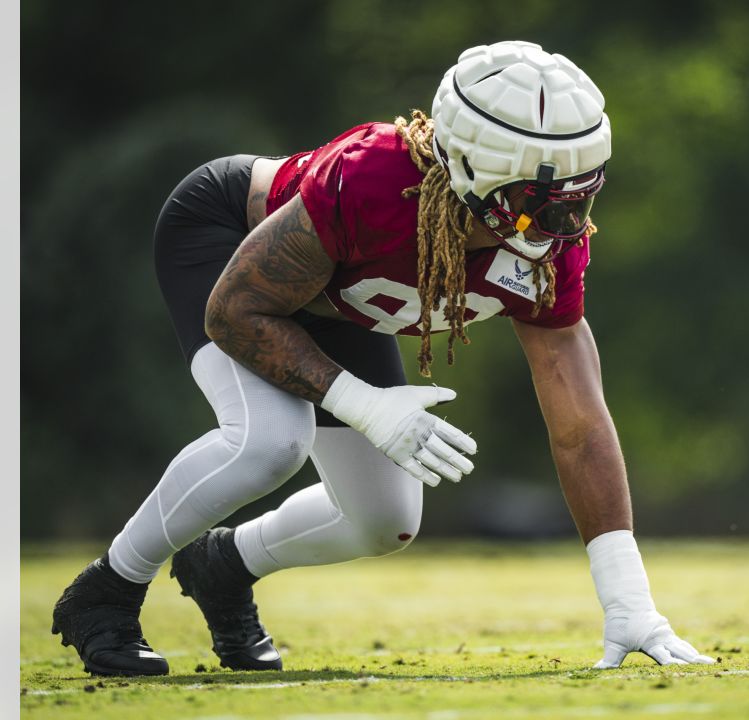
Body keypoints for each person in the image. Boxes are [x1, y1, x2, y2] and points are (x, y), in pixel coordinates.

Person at [51, 40, 714, 677]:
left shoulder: (548, 245)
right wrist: (361, 404)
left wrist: (627, 598)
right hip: (233, 255)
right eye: (540, 207)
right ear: (472, 174)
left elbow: (580, 421)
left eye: (580, 200)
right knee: (270, 442)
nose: (564, 230)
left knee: (385, 522)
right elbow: (235, 313)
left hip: (335, 302)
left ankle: (223, 565)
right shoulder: (375, 180)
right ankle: (107, 590)